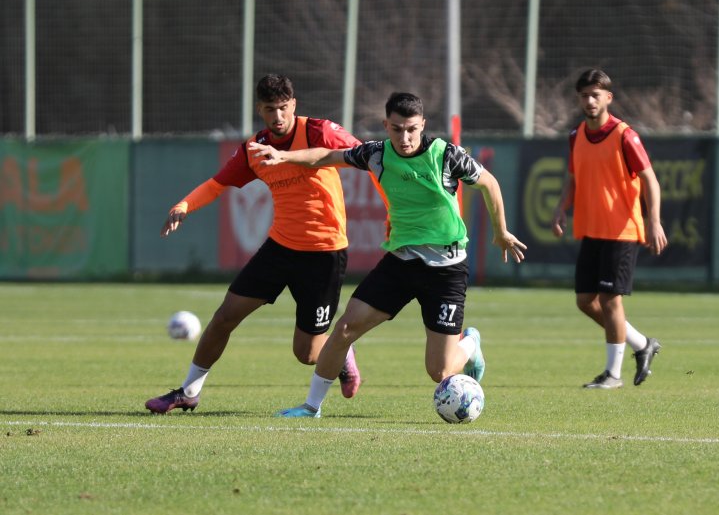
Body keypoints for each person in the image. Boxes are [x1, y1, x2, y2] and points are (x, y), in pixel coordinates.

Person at [250, 92, 527, 417]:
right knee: (343, 330)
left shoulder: (446, 155)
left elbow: (489, 184)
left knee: (439, 372)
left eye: (411, 129)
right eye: (397, 129)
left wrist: (501, 231)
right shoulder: (376, 155)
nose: (405, 137)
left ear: (422, 124)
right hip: (400, 263)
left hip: (446, 270)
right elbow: (325, 156)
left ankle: (471, 344)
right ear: (386, 125)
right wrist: (283, 157)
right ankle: (311, 406)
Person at [145, 74, 363, 413]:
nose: (278, 116)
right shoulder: (254, 149)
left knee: (306, 354)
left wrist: (393, 210)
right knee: (224, 317)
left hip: (324, 254)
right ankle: (188, 392)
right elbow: (216, 184)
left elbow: (369, 158)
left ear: (294, 105)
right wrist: (184, 204)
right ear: (259, 109)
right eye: (269, 109)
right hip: (280, 247)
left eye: (283, 108)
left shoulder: (319, 132)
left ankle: (341, 351)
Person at [551, 68, 668, 389]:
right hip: (591, 229)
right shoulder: (576, 135)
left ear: (608, 98)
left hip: (622, 230)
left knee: (611, 300)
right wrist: (562, 208)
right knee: (586, 301)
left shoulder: (624, 135)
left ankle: (613, 375)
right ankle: (642, 344)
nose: (590, 101)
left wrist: (653, 220)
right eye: (584, 95)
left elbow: (650, 181)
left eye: (595, 95)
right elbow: (573, 178)